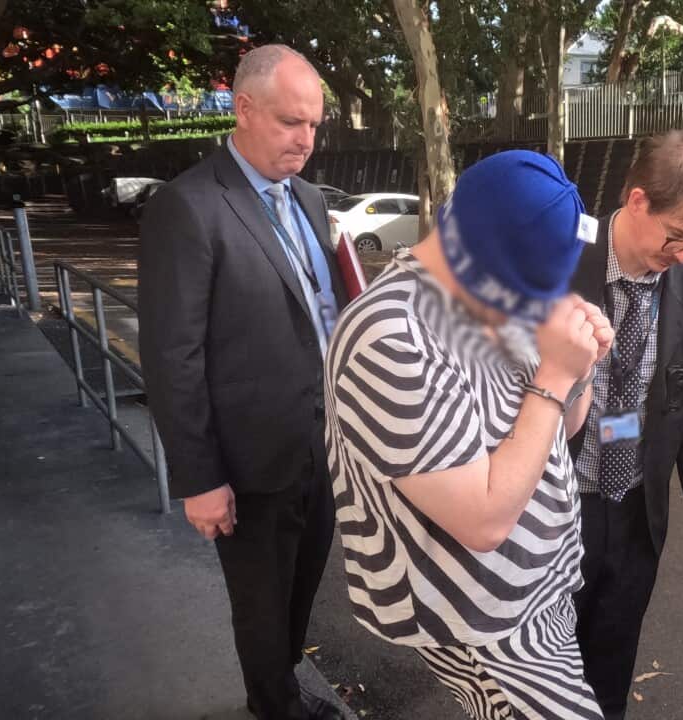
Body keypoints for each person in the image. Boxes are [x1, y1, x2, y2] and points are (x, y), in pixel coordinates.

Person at [325, 150, 612, 720]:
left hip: (536, 594)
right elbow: (483, 521)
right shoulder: (391, 333)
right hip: (482, 616)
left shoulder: (494, 301)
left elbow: (561, 431)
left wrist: (581, 367)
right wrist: (555, 375)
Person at [138, 44, 346, 720]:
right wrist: (199, 479)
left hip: (323, 444)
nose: (306, 140)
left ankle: (282, 687)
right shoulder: (189, 206)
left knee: (301, 588)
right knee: (260, 603)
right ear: (244, 108)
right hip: (249, 460)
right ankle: (274, 706)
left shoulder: (309, 199)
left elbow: (321, 312)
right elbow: (172, 356)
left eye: (313, 124)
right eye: (291, 122)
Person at [569, 130, 683, 719]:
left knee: (610, 667)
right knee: (539, 671)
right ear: (637, 200)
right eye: (678, 236)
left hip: (636, 512)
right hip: (553, 505)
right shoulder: (558, 257)